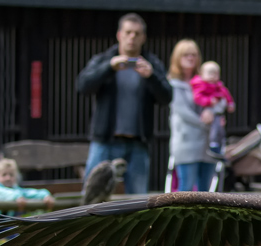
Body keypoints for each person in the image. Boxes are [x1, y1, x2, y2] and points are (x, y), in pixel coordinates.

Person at [76, 13, 172, 196]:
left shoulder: (150, 63)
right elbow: (82, 86)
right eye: (128, 32)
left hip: (138, 144)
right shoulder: (105, 59)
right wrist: (109, 68)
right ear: (119, 35)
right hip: (105, 141)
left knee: (138, 200)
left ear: (143, 38)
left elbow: (167, 98)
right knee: (91, 197)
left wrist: (152, 77)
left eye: (137, 33)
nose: (132, 37)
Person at [167, 39, 218, 192]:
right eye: (185, 55)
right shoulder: (172, 83)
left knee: (206, 192)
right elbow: (182, 111)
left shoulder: (206, 80)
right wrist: (206, 122)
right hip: (186, 143)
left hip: (207, 144)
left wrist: (213, 112)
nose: (190, 58)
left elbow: (219, 100)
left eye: (193, 55)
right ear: (177, 58)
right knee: (186, 189)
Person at [0, 158, 54, 225]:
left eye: (11, 175)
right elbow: (1, 193)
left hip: (2, 223)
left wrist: (44, 195)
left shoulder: (14, 189)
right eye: (4, 174)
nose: (8, 178)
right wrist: (16, 197)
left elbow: (28, 193)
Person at [191, 61, 236, 159]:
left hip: (218, 113)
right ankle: (214, 145)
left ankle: (221, 145)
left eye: (215, 74)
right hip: (207, 113)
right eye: (209, 73)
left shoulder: (219, 86)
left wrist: (230, 104)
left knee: (220, 130)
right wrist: (209, 101)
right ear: (202, 74)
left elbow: (226, 95)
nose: (212, 76)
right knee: (214, 130)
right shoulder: (201, 85)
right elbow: (198, 97)